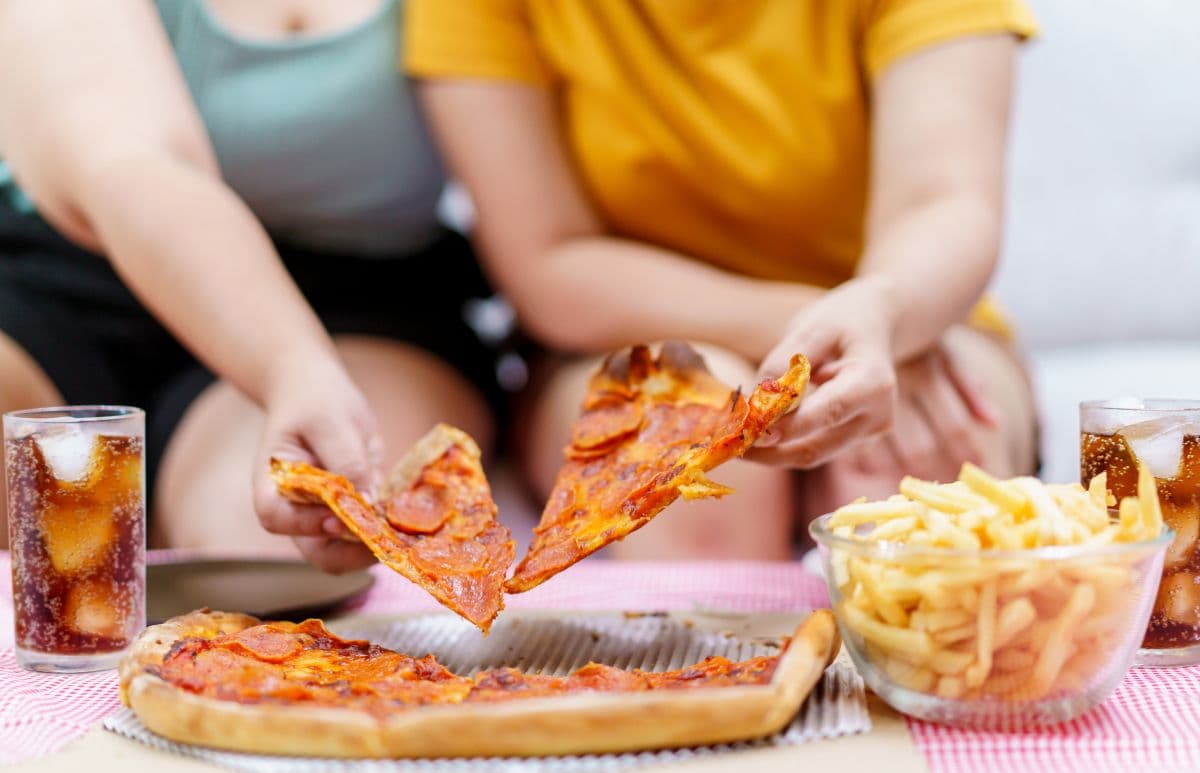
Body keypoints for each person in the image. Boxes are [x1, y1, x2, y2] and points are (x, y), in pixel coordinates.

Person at [407, 0, 1041, 559]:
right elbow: (549, 263)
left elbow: (945, 201)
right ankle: (726, 692)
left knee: (912, 486)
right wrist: (837, 333)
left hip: (910, 320)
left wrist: (885, 316)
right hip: (626, 339)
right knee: (687, 457)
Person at [0, 0, 500, 571]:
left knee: (271, 562)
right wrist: (291, 366)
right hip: (56, 285)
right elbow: (126, 162)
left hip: (358, 306)